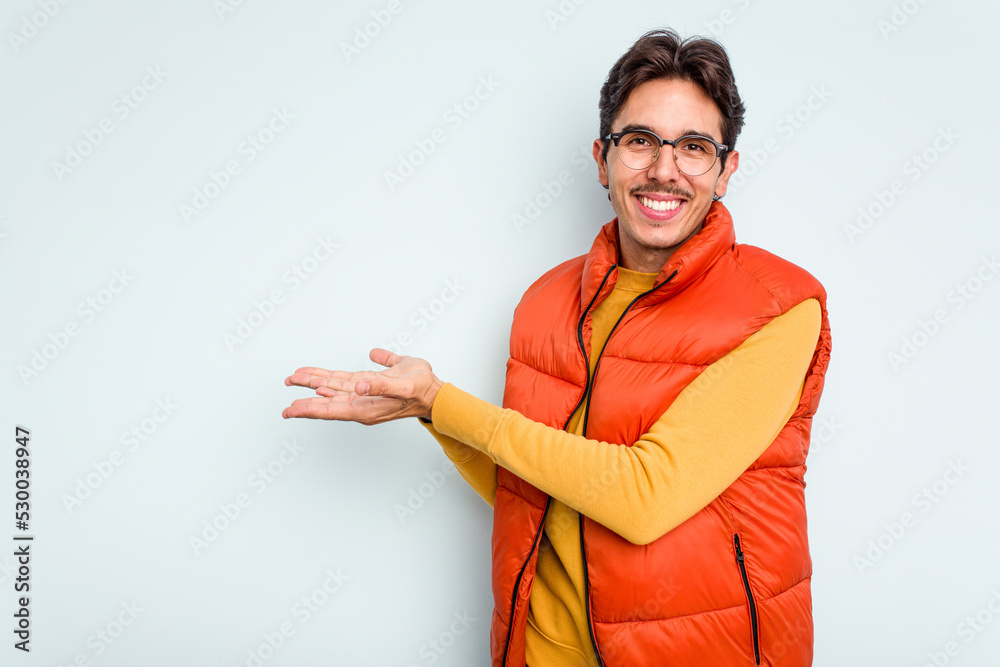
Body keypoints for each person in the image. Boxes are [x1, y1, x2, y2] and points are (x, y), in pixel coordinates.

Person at [283, 28, 831, 667]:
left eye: (694, 146)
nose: (663, 169)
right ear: (602, 159)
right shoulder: (545, 301)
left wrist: (443, 400)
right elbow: (537, 492)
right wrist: (427, 413)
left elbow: (644, 497)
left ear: (727, 169)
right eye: (640, 141)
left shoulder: (779, 307)